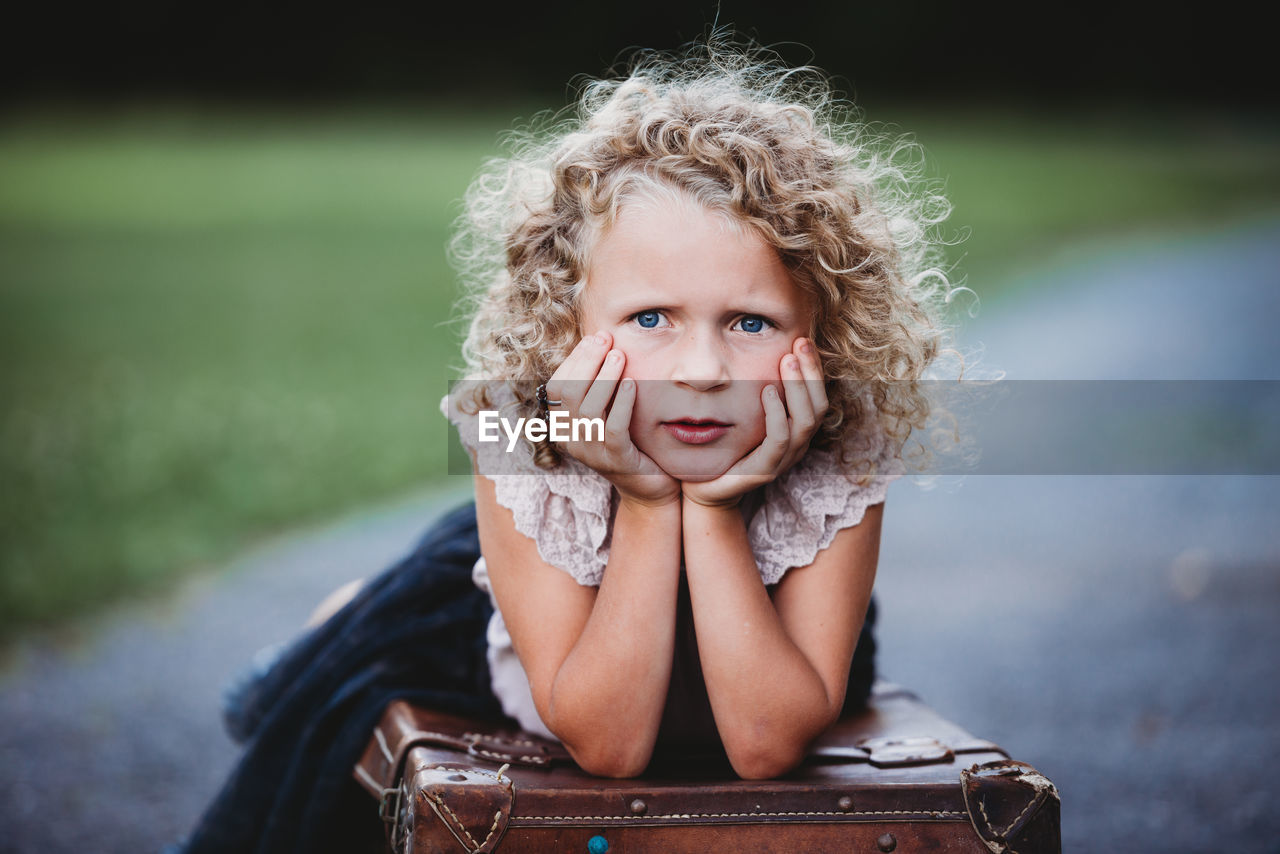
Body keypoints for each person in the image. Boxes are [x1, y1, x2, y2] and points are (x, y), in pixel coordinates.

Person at [173, 40, 956, 854]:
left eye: (750, 322)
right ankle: (310, 648)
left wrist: (716, 512)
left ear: (822, 337)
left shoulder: (839, 444)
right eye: (651, 318)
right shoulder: (526, 431)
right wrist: (652, 506)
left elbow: (764, 743)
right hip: (521, 614)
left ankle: (325, 633)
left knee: (401, 602)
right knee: (376, 645)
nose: (699, 371)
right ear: (565, 326)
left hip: (768, 648)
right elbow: (609, 748)